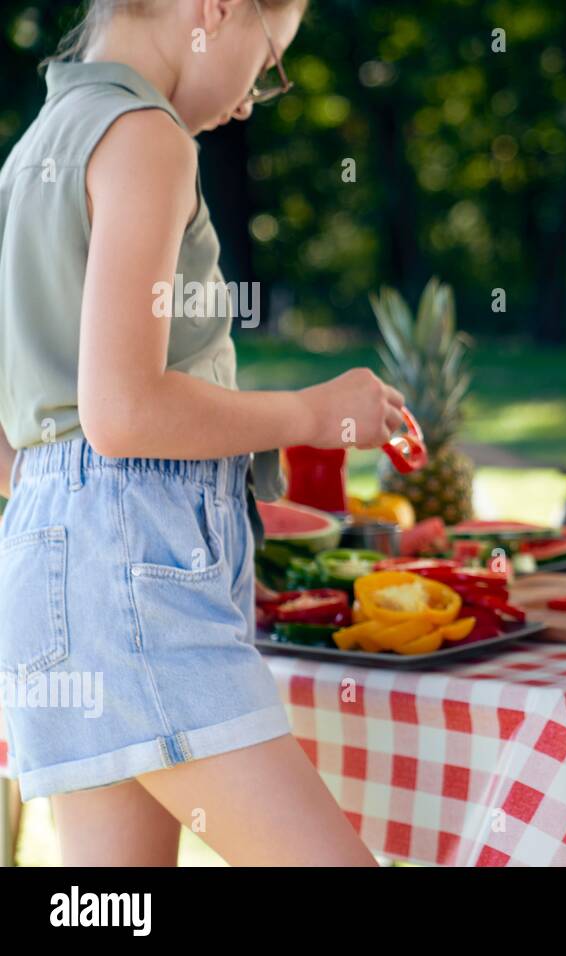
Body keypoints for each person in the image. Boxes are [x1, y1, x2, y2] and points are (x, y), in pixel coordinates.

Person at [0, 0, 397, 865]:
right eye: (269, 60)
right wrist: (312, 412)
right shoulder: (147, 137)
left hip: (46, 569)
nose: (255, 97)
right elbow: (125, 414)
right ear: (215, 9)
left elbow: (16, 444)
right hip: (135, 575)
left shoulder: (38, 146)